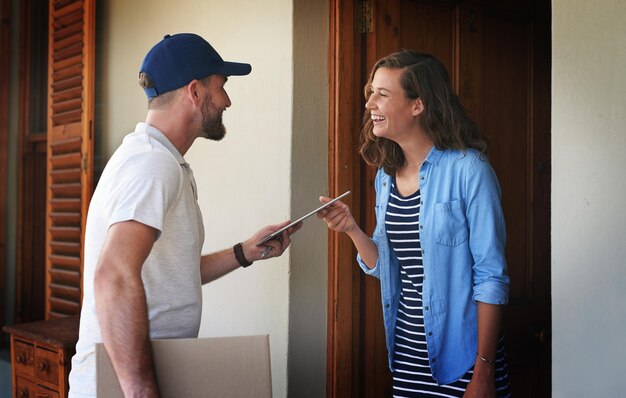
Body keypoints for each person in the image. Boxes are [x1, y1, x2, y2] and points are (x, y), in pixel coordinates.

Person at [68, 33, 301, 398]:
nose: (227, 100)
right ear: (195, 92)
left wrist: (244, 252)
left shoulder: (159, 160)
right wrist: (141, 391)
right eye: (221, 87)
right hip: (118, 387)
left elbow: (168, 272)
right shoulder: (152, 165)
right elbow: (112, 275)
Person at [318, 51, 511, 397]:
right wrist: (351, 229)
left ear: (417, 105)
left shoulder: (470, 170)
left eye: (383, 94)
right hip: (408, 357)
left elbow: (491, 277)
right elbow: (387, 267)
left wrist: (484, 370)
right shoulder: (385, 178)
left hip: (465, 357)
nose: (369, 104)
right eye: (371, 93)